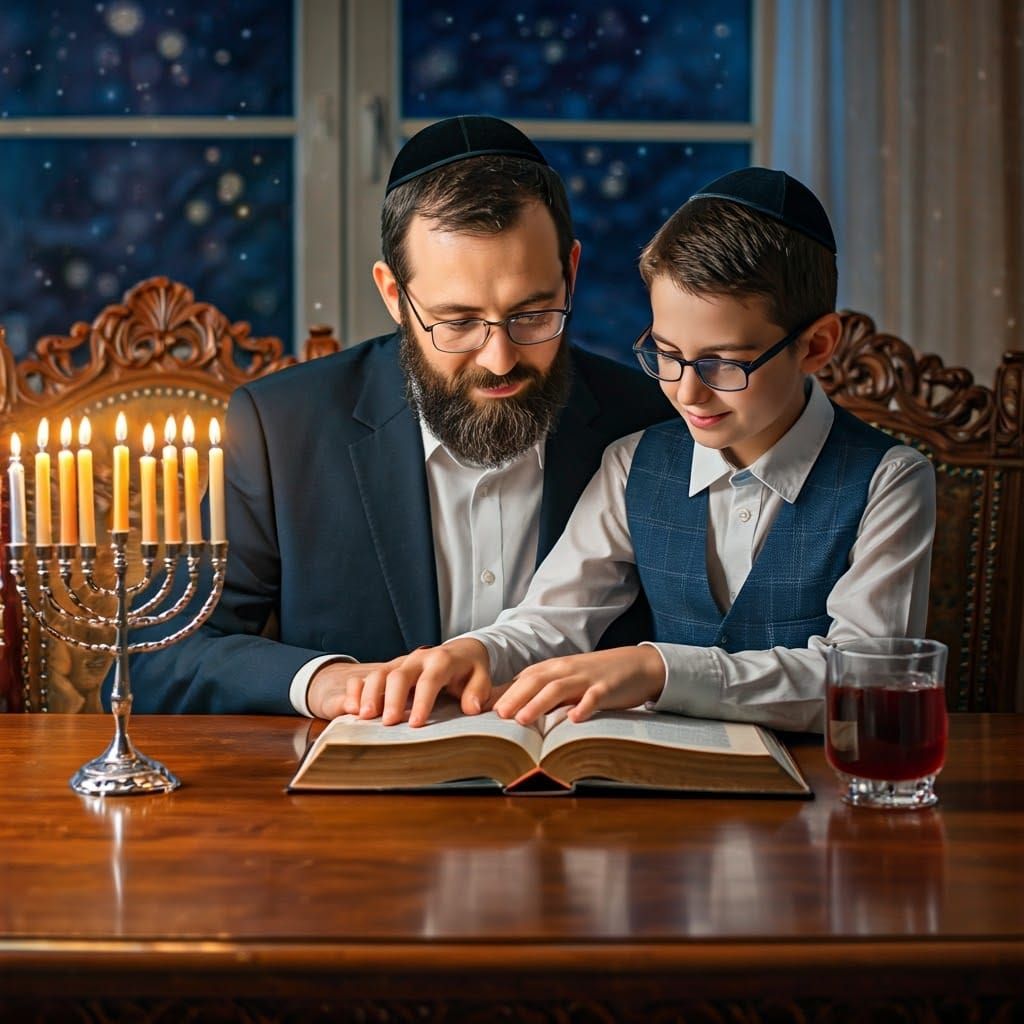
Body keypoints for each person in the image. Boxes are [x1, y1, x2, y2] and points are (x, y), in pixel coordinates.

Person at [109, 115, 673, 716]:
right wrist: (322, 682)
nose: (500, 357)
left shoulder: (653, 420)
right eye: (457, 322)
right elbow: (153, 658)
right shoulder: (282, 428)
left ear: (572, 272)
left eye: (533, 315)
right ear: (393, 296)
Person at [354, 167, 936, 733]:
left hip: (824, 798)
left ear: (815, 346)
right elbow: (552, 618)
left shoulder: (889, 481)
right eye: (666, 353)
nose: (686, 391)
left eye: (723, 362)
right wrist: (476, 651)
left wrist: (661, 669)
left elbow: (869, 679)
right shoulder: (633, 463)